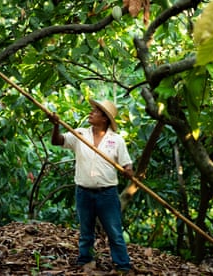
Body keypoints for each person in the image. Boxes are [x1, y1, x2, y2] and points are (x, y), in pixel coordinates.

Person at [49, 99, 134, 273]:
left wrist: (128, 171)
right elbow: (57, 141)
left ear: (104, 119)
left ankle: (123, 266)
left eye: (95, 111)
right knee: (86, 231)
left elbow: (127, 165)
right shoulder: (79, 134)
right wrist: (56, 125)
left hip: (107, 194)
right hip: (84, 192)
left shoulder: (116, 140)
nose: (91, 113)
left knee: (114, 233)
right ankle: (84, 261)